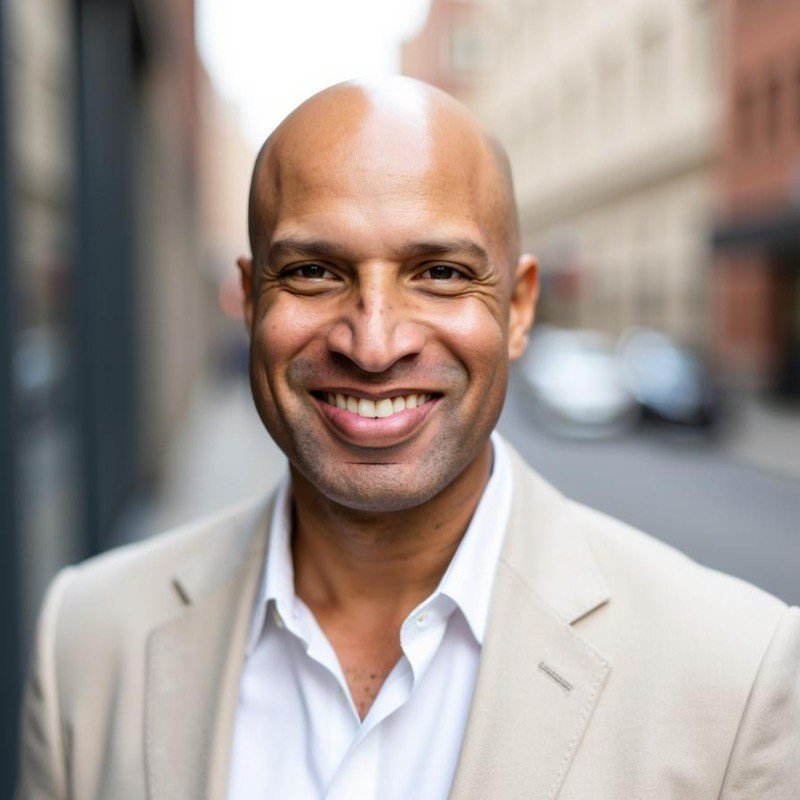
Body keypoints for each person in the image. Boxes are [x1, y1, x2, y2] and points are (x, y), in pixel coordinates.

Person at [16, 77, 799, 800]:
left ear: (520, 308)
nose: (375, 341)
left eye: (442, 273)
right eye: (315, 272)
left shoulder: (736, 675)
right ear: (251, 300)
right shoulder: (86, 639)